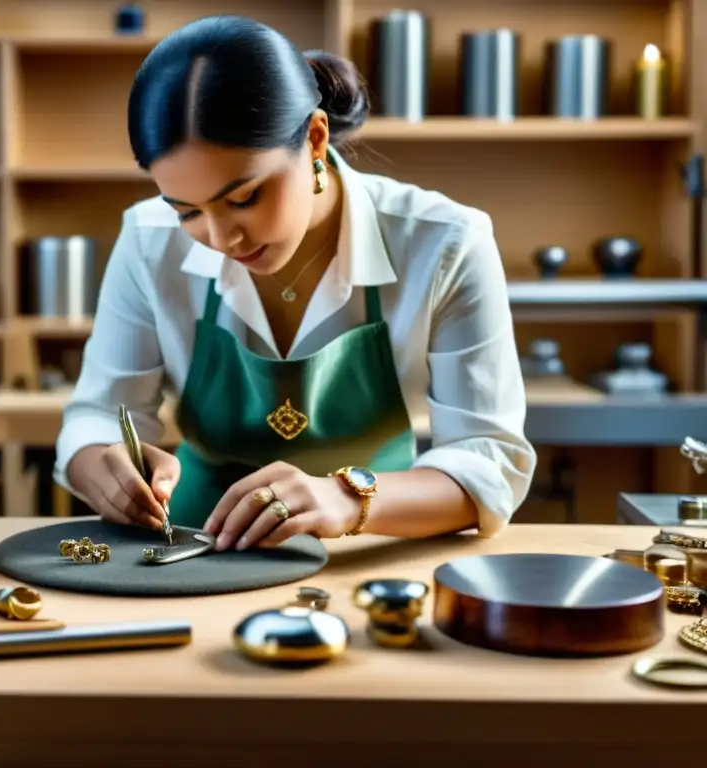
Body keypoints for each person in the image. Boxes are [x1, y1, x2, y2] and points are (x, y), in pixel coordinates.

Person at [54, 15, 536, 551]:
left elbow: (490, 462)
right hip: (198, 546)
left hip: (374, 544)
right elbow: (97, 414)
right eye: (187, 211)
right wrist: (101, 464)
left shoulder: (444, 243)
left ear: (314, 138)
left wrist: (347, 499)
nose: (222, 238)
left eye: (244, 198)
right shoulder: (148, 241)